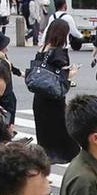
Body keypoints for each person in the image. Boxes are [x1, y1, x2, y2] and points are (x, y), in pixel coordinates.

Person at [32, 19, 77, 164]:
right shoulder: (59, 53)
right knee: (61, 131)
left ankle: (45, 159)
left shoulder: (42, 49)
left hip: (40, 97)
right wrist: (72, 73)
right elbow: (62, 78)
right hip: (54, 98)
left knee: (44, 132)